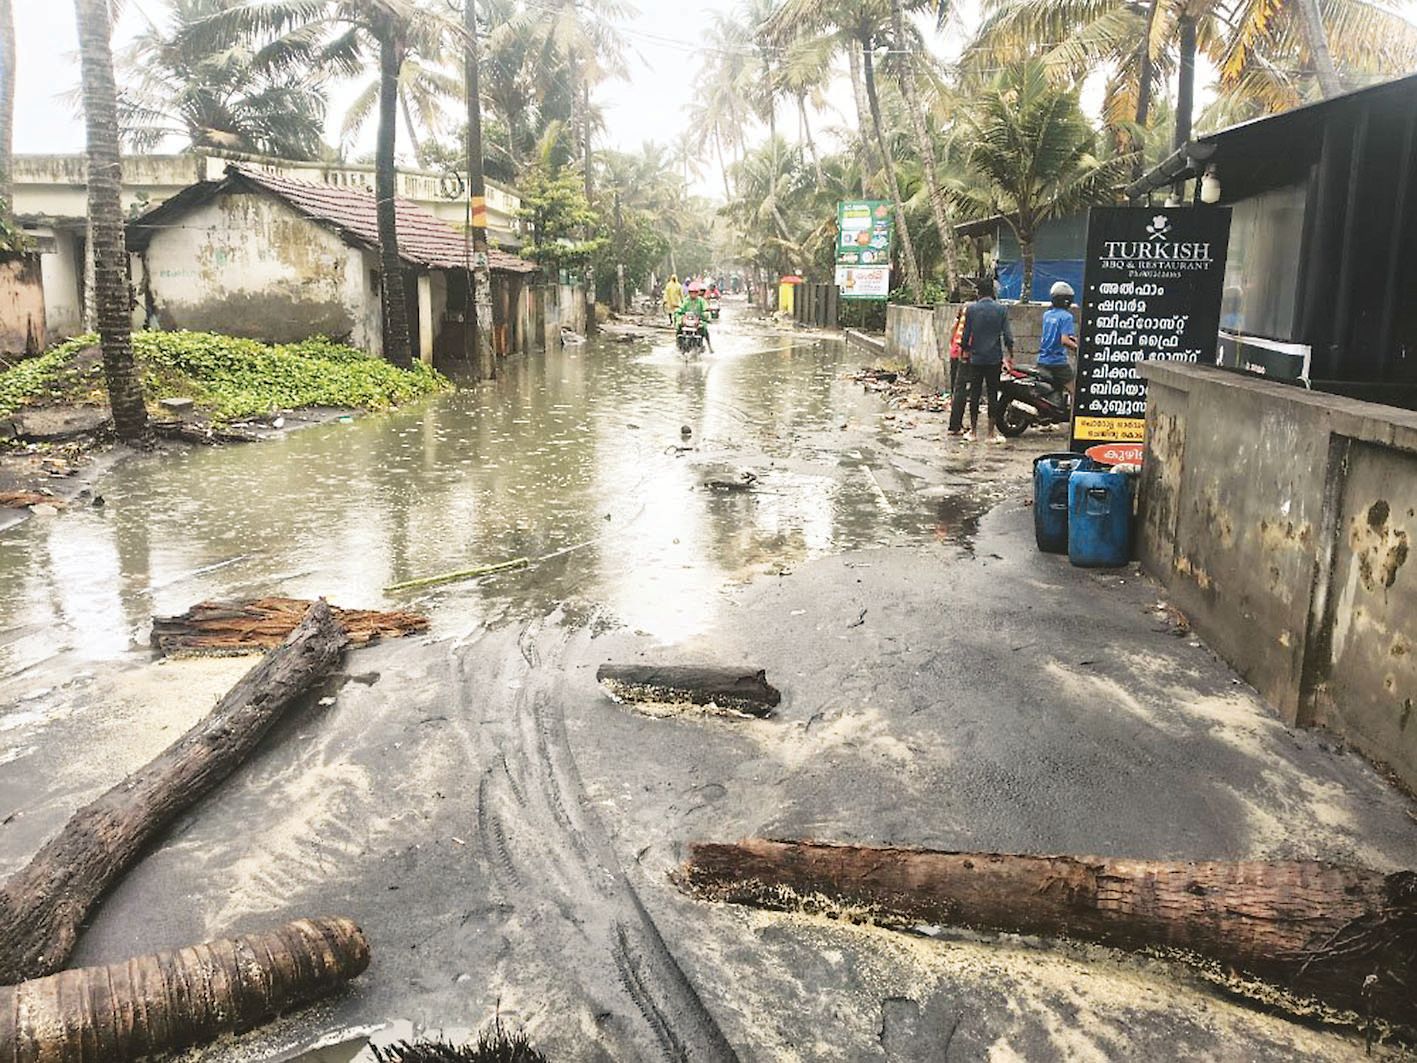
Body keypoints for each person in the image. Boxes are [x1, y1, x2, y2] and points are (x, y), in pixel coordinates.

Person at [948, 280, 1014, 442]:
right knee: (992, 394)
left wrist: (964, 353)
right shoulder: (1001, 310)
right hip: (994, 358)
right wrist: (1010, 355)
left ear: (979, 293)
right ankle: (991, 433)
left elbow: (965, 335)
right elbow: (1008, 336)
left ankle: (974, 432)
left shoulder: (971, 309)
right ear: (992, 292)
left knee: (975, 394)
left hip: (976, 358)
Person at [1037, 281, 1078, 406]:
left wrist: (1074, 341)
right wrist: (1077, 349)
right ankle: (1073, 421)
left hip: (1042, 360)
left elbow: (1056, 335)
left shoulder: (1047, 315)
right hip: (1057, 362)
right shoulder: (1066, 317)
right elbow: (1064, 340)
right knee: (1075, 390)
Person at [674, 284, 713, 352]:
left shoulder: (701, 301)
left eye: (695, 292)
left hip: (698, 322)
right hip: (686, 321)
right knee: (678, 329)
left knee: (704, 330)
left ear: (698, 293)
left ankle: (709, 346)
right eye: (691, 292)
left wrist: (703, 316)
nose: (693, 294)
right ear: (689, 293)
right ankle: (677, 345)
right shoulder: (685, 301)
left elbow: (706, 311)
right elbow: (679, 310)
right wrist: (681, 318)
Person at [947, 306, 966, 400]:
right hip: (965, 353)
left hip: (955, 350)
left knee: (954, 377)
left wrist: (951, 342)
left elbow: (952, 329)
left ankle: (953, 399)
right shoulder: (974, 319)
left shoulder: (959, 321)